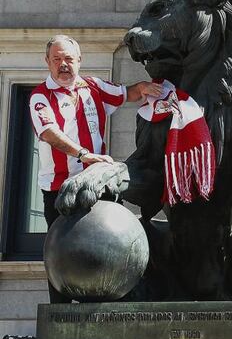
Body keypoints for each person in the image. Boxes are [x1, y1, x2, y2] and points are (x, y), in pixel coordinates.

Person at [29, 34, 162, 303]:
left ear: (79, 60)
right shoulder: (39, 97)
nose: (63, 64)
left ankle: (120, 316)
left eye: (68, 58)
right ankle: (60, 322)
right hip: (60, 191)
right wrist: (83, 154)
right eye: (56, 59)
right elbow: (49, 132)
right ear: (47, 63)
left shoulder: (93, 86)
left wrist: (154, 88)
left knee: (117, 248)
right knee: (61, 260)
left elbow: (129, 93)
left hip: (98, 187)